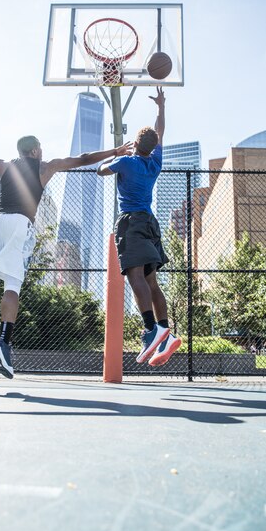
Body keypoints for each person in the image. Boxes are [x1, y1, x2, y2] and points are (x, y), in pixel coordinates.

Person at [0, 138, 131, 378]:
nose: (42, 151)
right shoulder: (45, 167)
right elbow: (82, 159)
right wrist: (114, 151)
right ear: (34, 150)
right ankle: (3, 343)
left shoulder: (3, 165)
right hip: (19, 223)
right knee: (12, 285)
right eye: (40, 148)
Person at [97, 87, 181, 367]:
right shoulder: (155, 162)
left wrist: (119, 152)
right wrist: (162, 107)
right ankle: (165, 332)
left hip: (131, 222)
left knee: (135, 278)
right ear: (153, 147)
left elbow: (100, 170)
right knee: (151, 281)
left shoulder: (126, 161)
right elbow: (161, 131)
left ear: (135, 143)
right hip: (150, 223)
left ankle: (151, 330)